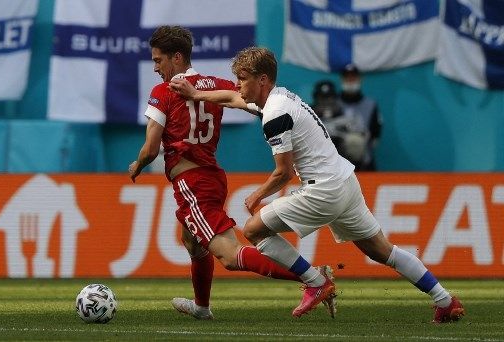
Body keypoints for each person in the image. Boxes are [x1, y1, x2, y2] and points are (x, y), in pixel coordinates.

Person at [169, 46, 465, 323]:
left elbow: (283, 173)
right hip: (346, 182)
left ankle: (316, 282)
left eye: (242, 79)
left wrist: (256, 196)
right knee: (381, 250)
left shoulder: (275, 114)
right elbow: (232, 99)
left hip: (324, 190)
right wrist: (196, 95)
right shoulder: (280, 97)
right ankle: (444, 300)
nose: (238, 85)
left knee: (253, 229)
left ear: (262, 80)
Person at [128, 26, 336, 320]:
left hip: (192, 182)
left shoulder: (163, 92)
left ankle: (313, 277)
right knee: (192, 241)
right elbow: (255, 103)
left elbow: (151, 149)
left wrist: (137, 164)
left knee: (228, 254)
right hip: (212, 175)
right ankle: (202, 306)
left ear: (177, 58)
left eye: (158, 60)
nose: (155, 67)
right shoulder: (214, 84)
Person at [337, 64, 382, 171]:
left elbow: (375, 136)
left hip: (365, 165)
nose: (350, 81)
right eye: (347, 78)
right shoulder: (333, 105)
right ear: (342, 80)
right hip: (338, 167)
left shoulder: (371, 105)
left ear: (360, 79)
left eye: (353, 78)